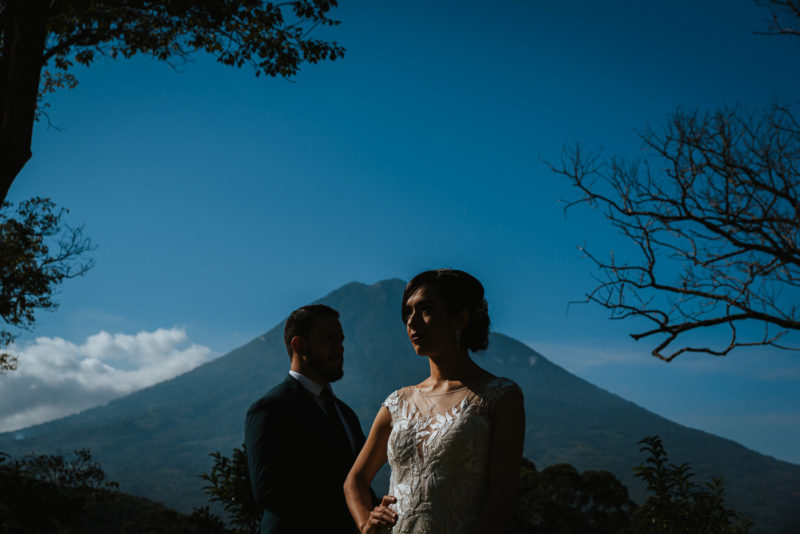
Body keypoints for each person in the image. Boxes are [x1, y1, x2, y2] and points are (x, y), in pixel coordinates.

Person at [344, 269, 525, 534]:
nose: (412, 321)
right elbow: (355, 480)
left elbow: (503, 495)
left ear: (460, 318)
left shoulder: (500, 397)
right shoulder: (397, 402)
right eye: (408, 312)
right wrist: (365, 523)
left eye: (426, 310)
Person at [245, 304, 369, 534]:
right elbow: (269, 493)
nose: (340, 348)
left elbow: (359, 479)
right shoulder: (269, 409)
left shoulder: (346, 414)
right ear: (299, 345)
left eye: (341, 340)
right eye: (330, 340)